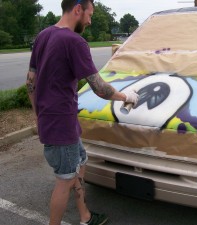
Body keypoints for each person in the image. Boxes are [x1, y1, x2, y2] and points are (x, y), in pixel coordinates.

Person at [26, 0, 139, 225]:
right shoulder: (75, 42)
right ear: (78, 9)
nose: (89, 20)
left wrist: (38, 116)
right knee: (65, 180)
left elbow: (30, 82)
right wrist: (127, 97)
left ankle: (85, 216)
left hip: (57, 121)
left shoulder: (43, 36)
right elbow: (99, 87)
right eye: (90, 14)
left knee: (81, 161)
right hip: (62, 126)